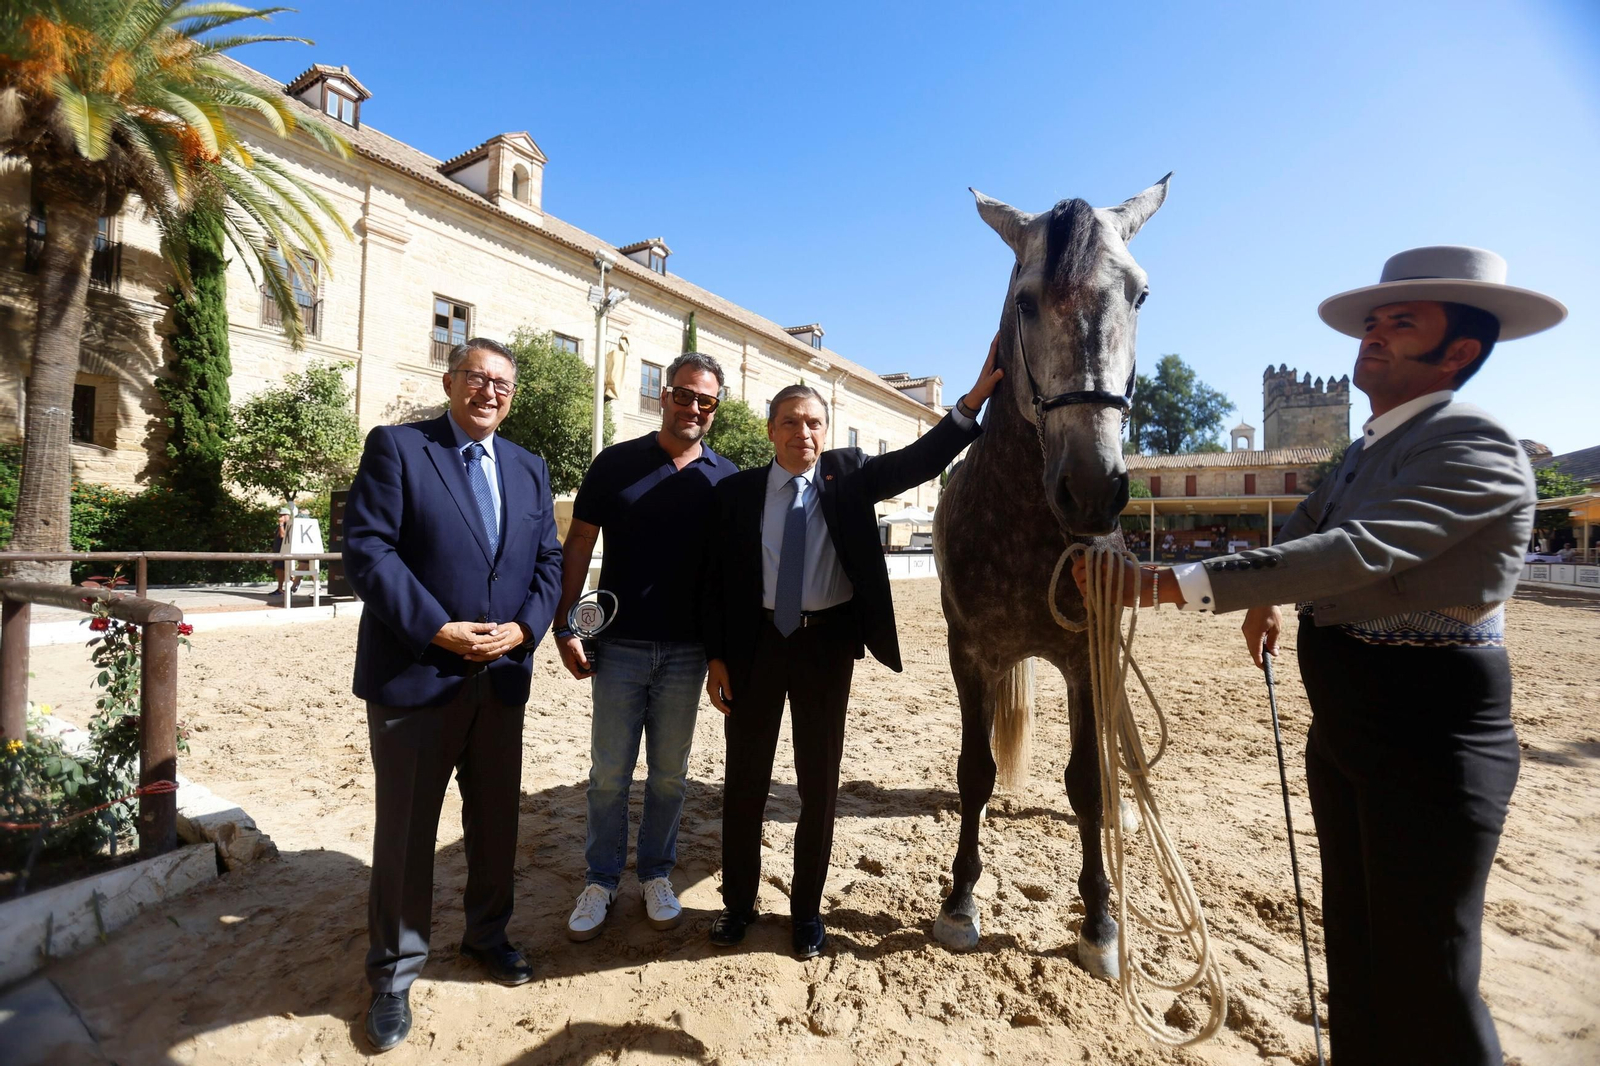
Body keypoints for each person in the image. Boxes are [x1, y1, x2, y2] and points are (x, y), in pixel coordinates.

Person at [1073, 246, 1565, 1065]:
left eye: (1400, 323)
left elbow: (1359, 552)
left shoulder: (1475, 443)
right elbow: (1310, 528)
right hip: (1354, 722)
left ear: (1459, 353)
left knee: (1431, 979)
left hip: (1431, 731)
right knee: (1360, 956)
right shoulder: (1371, 449)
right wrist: (1264, 592)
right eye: (1373, 320)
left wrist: (1164, 583)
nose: (1372, 335)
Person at [699, 339, 1001, 959]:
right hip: (753, 647)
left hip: (825, 648)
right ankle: (737, 906)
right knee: (744, 784)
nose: (802, 433)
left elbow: (921, 460)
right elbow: (714, 580)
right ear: (769, 430)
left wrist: (972, 403)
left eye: (813, 423)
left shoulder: (850, 476)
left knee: (819, 788)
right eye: (790, 422)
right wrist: (716, 656)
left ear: (825, 431)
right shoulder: (735, 493)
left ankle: (806, 914)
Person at [342, 337, 563, 1052]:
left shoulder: (530, 469)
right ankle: (394, 973)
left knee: (495, 822)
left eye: (501, 383)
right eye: (476, 377)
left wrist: (526, 630)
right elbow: (368, 550)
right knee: (406, 833)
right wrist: (439, 629)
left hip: (500, 681)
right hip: (417, 677)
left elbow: (549, 564)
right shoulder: (399, 450)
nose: (489, 392)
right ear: (450, 381)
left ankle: (486, 936)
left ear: (513, 395)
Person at [554, 352, 737, 940]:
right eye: (683, 394)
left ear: (715, 409)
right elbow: (579, 542)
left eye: (705, 401)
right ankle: (600, 880)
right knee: (608, 772)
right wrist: (566, 624)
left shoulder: (726, 478)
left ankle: (656, 872)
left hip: (687, 652)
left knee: (668, 775)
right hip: (621, 646)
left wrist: (721, 654)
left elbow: (730, 575)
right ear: (664, 393)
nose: (692, 408)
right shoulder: (615, 464)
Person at [271, 507, 300, 595]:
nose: (280, 517)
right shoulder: (281, 525)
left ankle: (281, 588)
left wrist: (281, 524)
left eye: (282, 515)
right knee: (279, 570)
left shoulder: (288, 525)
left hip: (284, 552)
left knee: (281, 569)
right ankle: (295, 581)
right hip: (278, 551)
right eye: (280, 515)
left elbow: (283, 536)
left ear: (287, 516)